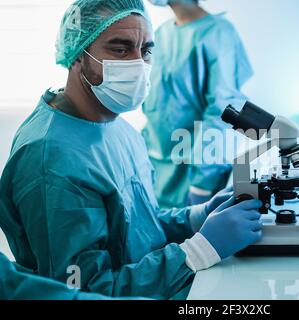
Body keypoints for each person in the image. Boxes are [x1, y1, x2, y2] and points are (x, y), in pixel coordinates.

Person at [0, 0, 262, 299]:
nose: (138, 63)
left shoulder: (115, 126)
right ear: (77, 54)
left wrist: (195, 217)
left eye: (146, 50)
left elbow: (137, 227)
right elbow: (85, 291)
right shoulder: (51, 161)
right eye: (120, 49)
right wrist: (197, 252)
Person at [143, 0, 254, 208]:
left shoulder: (218, 33)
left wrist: (201, 185)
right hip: (158, 172)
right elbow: (156, 109)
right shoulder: (161, 33)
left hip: (196, 177)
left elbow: (223, 110)